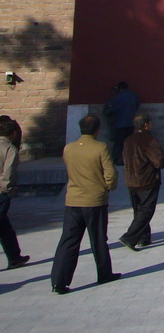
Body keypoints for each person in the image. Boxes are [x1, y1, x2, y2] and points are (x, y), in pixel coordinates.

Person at [51, 114, 120, 293]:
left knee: (68, 241)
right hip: (95, 200)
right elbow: (110, 174)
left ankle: (59, 281)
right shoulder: (100, 148)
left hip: (73, 199)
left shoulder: (69, 148)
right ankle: (104, 273)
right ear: (98, 130)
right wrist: (108, 187)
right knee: (98, 239)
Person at [119, 114, 164, 251]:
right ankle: (130, 236)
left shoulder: (128, 140)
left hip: (131, 179)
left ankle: (144, 237)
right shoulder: (149, 140)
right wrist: (163, 159)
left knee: (138, 209)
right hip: (147, 180)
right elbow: (158, 162)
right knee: (146, 209)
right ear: (146, 125)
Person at [0, 115, 30, 270]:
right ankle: (14, 257)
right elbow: (9, 172)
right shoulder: (9, 148)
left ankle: (14, 257)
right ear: (12, 133)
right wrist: (7, 189)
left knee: (4, 226)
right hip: (1, 192)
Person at [107, 81, 140, 165]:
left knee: (119, 143)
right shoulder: (134, 96)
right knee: (129, 143)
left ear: (120, 88)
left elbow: (113, 110)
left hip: (120, 124)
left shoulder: (118, 97)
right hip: (131, 123)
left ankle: (119, 160)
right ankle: (129, 159)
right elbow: (136, 106)